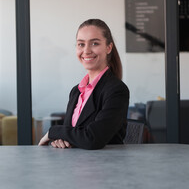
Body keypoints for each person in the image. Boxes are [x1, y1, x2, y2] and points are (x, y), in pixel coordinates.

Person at [38, 19, 129, 150]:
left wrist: (54, 131)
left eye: (95, 43)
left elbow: (92, 139)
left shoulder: (116, 90)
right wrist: (61, 140)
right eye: (81, 44)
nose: (86, 50)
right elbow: (70, 134)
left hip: (107, 167)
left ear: (109, 47)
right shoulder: (76, 91)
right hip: (76, 165)